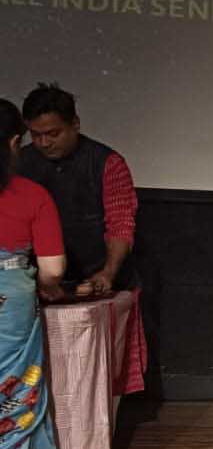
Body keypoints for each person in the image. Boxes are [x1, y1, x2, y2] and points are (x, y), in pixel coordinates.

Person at [0, 97, 79, 449]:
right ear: (14, 143)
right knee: (13, 398)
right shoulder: (32, 196)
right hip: (10, 305)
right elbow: (52, 270)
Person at [16, 83, 138, 296]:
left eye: (53, 133)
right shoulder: (20, 162)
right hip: (39, 283)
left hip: (101, 279)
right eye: (35, 135)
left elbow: (120, 225)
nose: (44, 143)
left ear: (75, 124)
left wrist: (108, 272)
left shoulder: (107, 163)